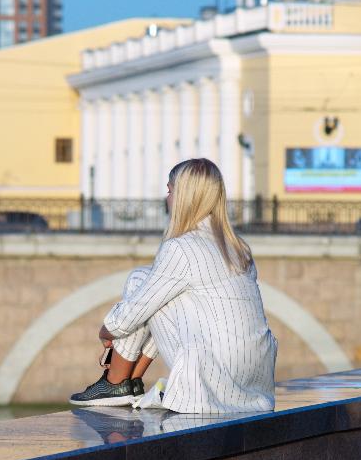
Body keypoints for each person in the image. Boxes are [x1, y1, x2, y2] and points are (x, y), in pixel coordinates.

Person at [69, 158, 277, 413]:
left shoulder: (180, 248)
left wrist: (105, 332)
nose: (167, 198)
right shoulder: (239, 249)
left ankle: (115, 383)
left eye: (170, 190)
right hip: (255, 385)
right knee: (157, 287)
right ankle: (130, 381)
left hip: (209, 379)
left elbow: (126, 319)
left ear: (184, 197)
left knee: (140, 281)